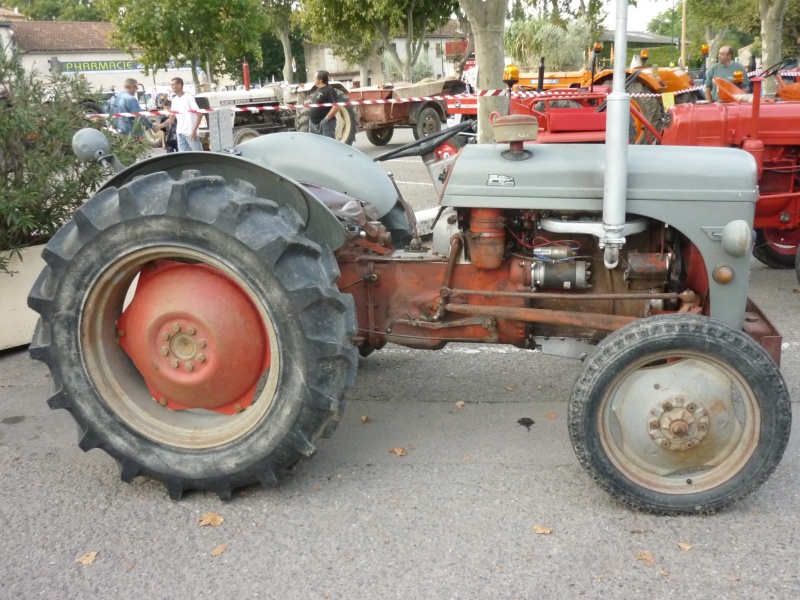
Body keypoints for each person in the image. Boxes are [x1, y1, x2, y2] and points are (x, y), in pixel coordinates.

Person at [153, 77, 203, 151]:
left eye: (173, 84)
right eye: (171, 85)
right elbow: (171, 119)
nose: (171, 86)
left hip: (190, 133)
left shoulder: (188, 98)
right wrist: (159, 126)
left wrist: (194, 131)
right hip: (180, 133)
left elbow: (199, 114)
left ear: (179, 85)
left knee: (199, 156)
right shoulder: (175, 100)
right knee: (183, 158)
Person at [308, 70, 340, 139]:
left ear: (320, 80)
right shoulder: (318, 90)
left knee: (328, 145)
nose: (313, 79)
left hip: (325, 124)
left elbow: (336, 107)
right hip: (314, 124)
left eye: (314, 77)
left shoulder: (329, 90)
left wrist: (326, 119)